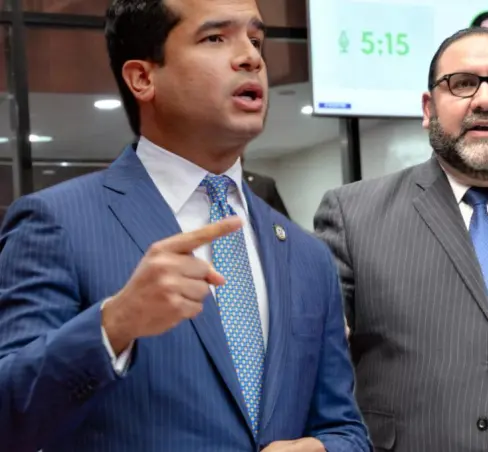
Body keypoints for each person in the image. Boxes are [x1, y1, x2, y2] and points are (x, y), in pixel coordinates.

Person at [0, 0, 369, 450]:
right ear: (142, 77)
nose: (251, 57)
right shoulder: (57, 222)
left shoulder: (306, 254)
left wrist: (326, 449)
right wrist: (113, 325)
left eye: (256, 40)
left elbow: (345, 429)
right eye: (215, 38)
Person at [314, 27, 488, 452]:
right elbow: (316, 357)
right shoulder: (352, 215)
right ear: (428, 108)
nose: (485, 100)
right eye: (462, 83)